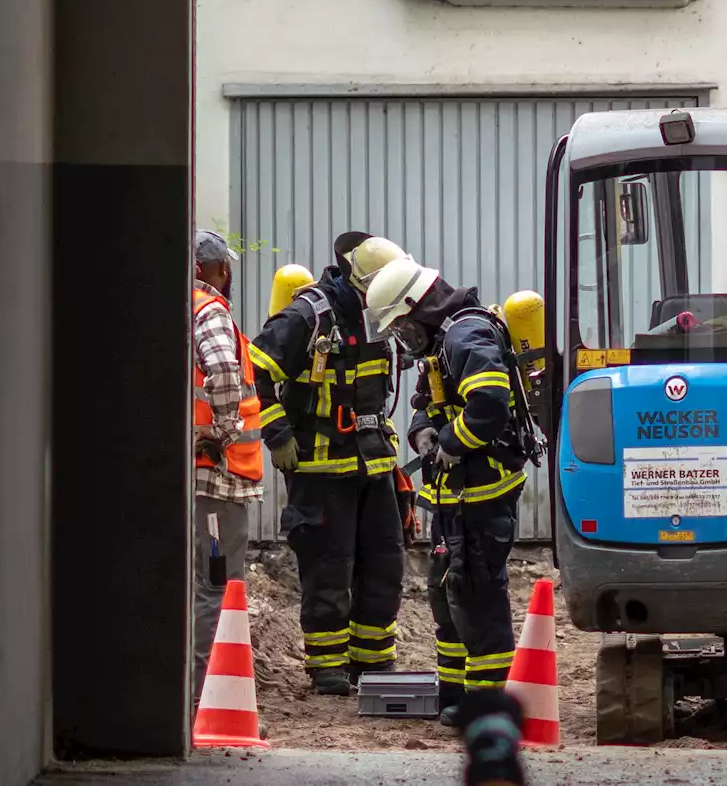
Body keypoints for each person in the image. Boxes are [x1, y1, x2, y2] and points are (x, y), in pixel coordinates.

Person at [363, 257, 542, 726]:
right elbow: (426, 402)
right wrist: (422, 432)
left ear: (417, 307)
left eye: (402, 327)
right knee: (447, 594)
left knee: (478, 596)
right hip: (454, 497)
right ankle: (454, 694)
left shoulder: (467, 335)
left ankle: (485, 707)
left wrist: (449, 444)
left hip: (482, 495)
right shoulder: (444, 344)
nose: (403, 339)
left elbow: (490, 403)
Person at [249, 232, 410, 695]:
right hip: (319, 468)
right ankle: (328, 667)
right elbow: (255, 367)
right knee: (328, 565)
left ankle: (373, 661)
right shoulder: (309, 314)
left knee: (383, 560)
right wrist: (277, 433)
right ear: (361, 280)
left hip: (373, 462)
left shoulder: (381, 312)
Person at [191, 229, 265, 714]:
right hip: (219, 477)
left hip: (202, 478)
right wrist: (223, 430)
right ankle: (208, 700)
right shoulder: (210, 312)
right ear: (211, 270)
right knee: (218, 587)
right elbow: (222, 373)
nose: (229, 274)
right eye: (225, 266)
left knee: (203, 582)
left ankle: (198, 693)